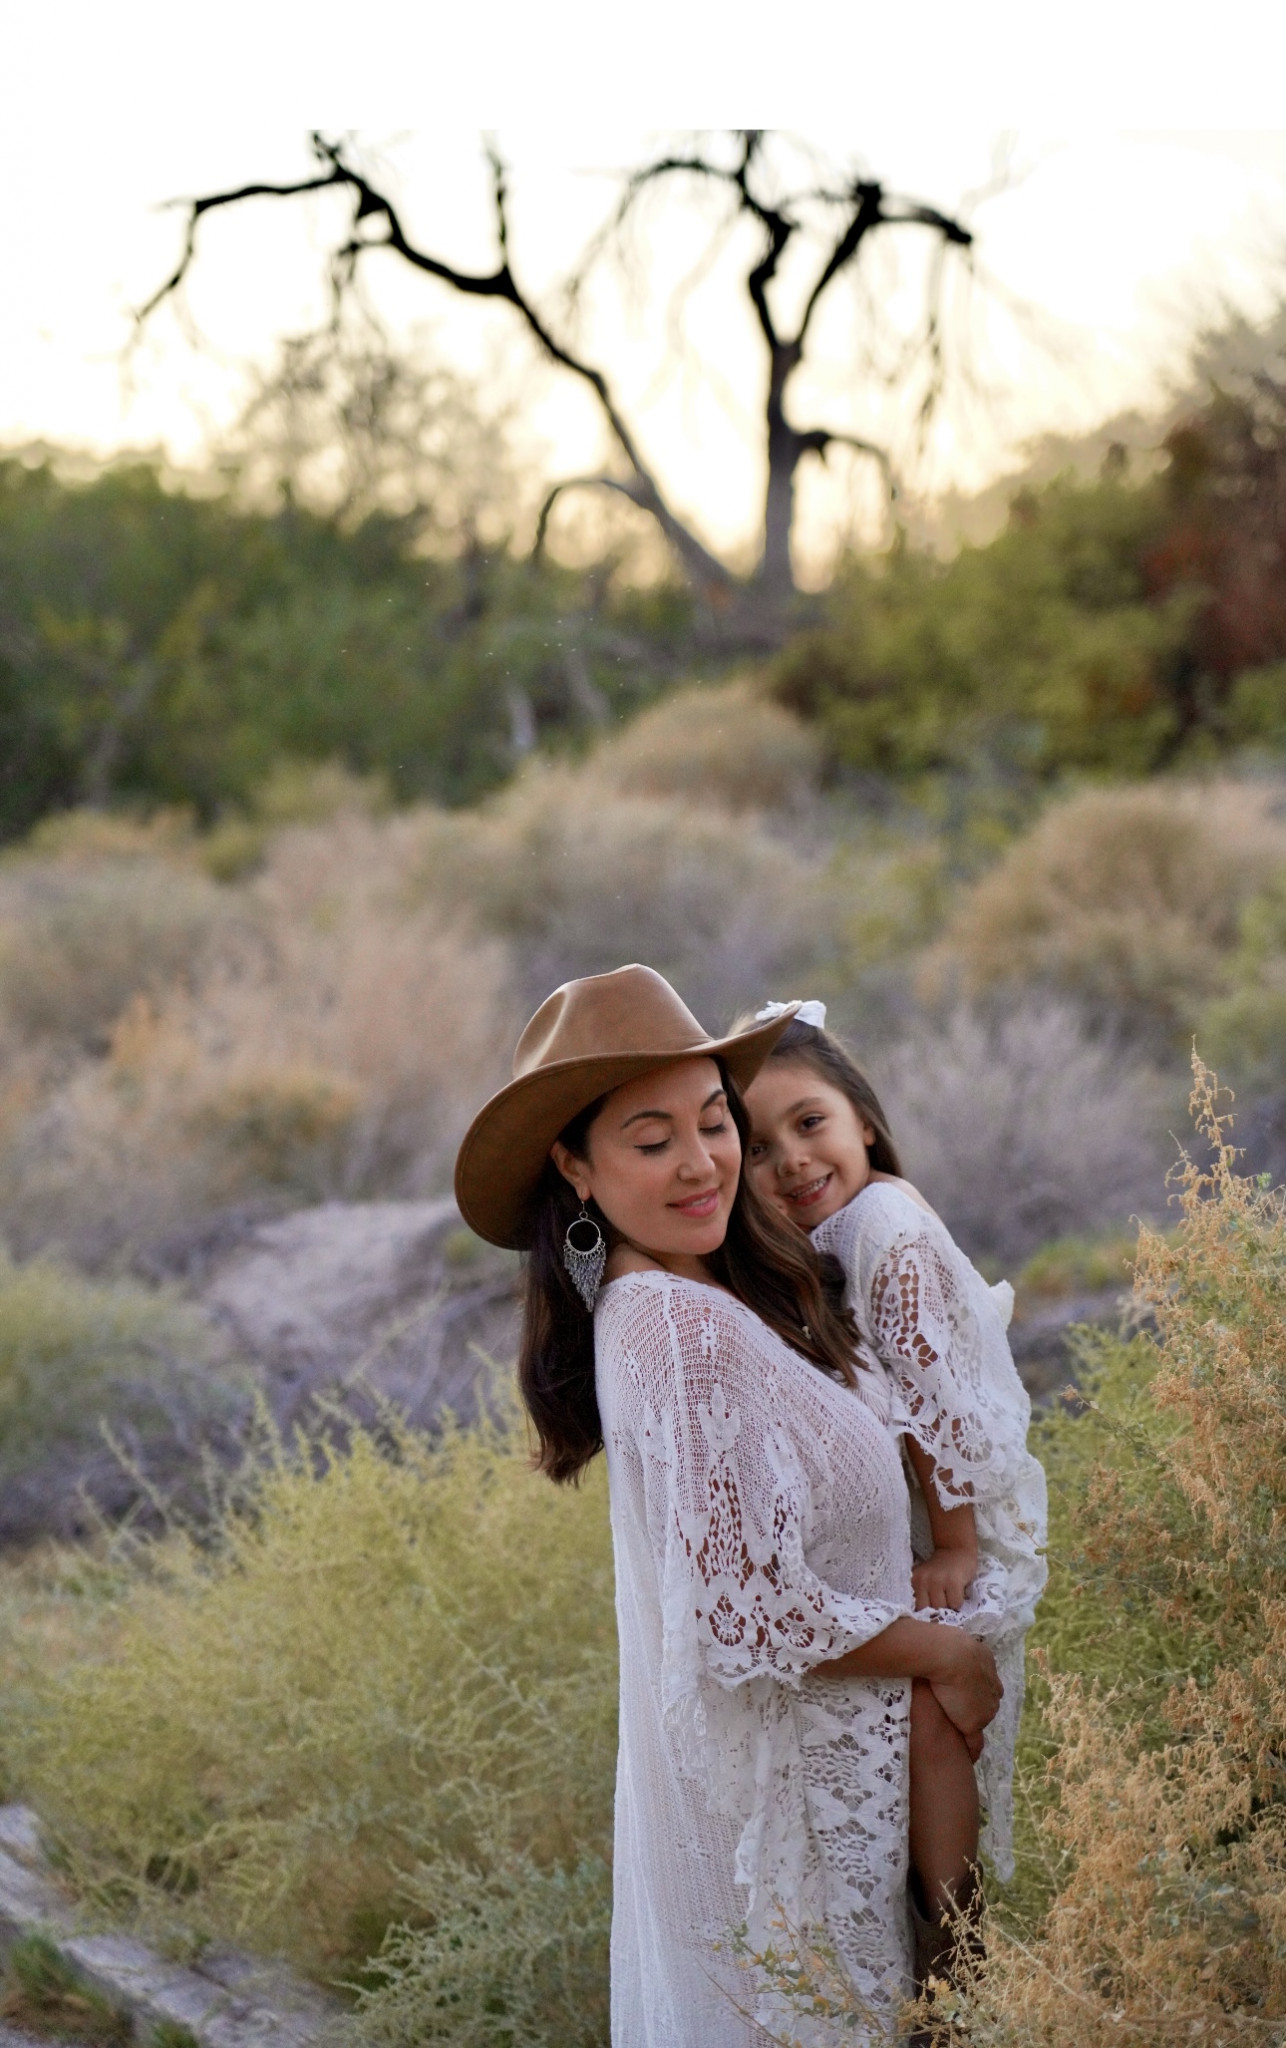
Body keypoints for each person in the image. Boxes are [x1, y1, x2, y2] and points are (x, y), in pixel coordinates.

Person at [454, 965, 1003, 2047]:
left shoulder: (722, 1287)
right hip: (788, 1834)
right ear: (575, 1166)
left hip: (846, 1797)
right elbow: (749, 1612)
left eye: (713, 1122)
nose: (702, 1162)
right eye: (651, 1140)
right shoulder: (674, 1328)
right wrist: (946, 1653)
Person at [742, 1001, 1048, 1972]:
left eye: (809, 1122)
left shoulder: (880, 1225)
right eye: (757, 1148)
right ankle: (939, 1934)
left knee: (930, 1708)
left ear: (864, 1120)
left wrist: (953, 1543)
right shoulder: (827, 1233)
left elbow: (931, 1393)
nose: (791, 1160)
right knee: (915, 1706)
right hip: (920, 1508)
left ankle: (955, 1946)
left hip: (957, 1505)